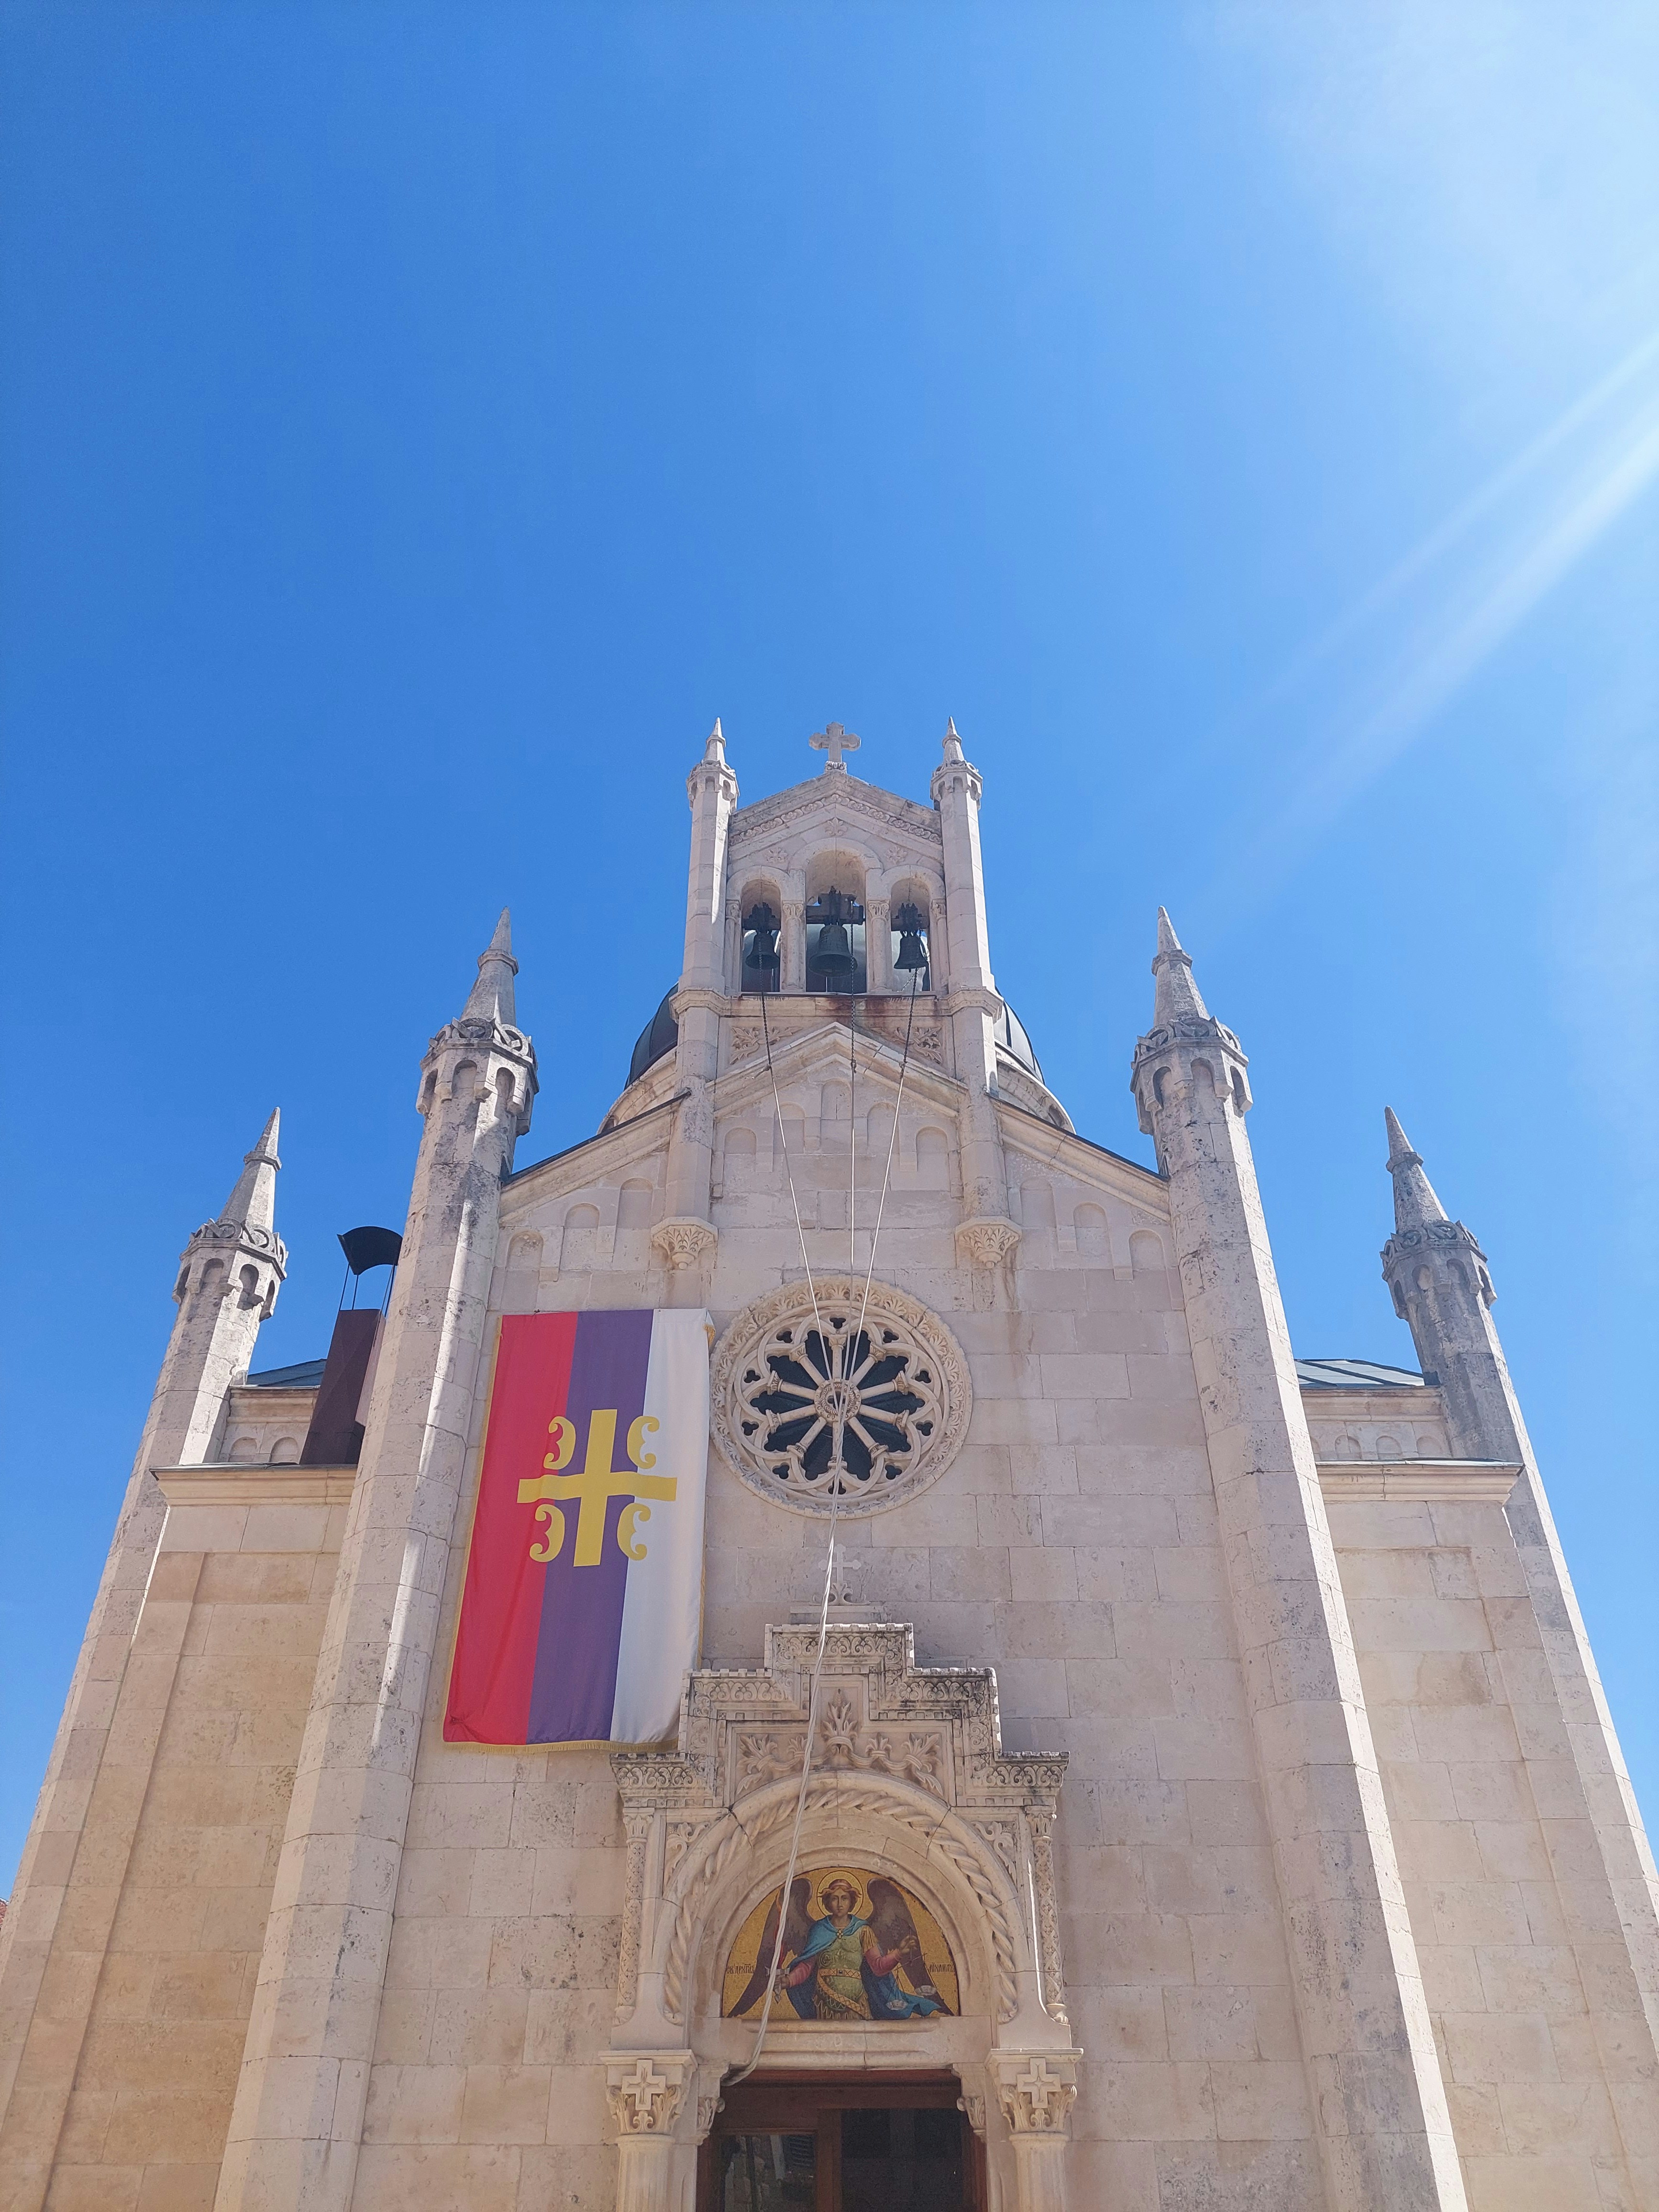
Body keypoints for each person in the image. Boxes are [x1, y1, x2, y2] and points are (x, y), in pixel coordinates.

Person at [779, 1876, 941, 2020]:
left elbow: (878, 1967)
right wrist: (790, 1980)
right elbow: (806, 1967)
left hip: (856, 2001)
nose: (840, 1904)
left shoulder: (863, 1930)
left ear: (852, 1902)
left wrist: (898, 1953)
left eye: (844, 1898)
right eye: (835, 1899)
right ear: (828, 1902)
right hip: (825, 2001)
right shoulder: (818, 1930)